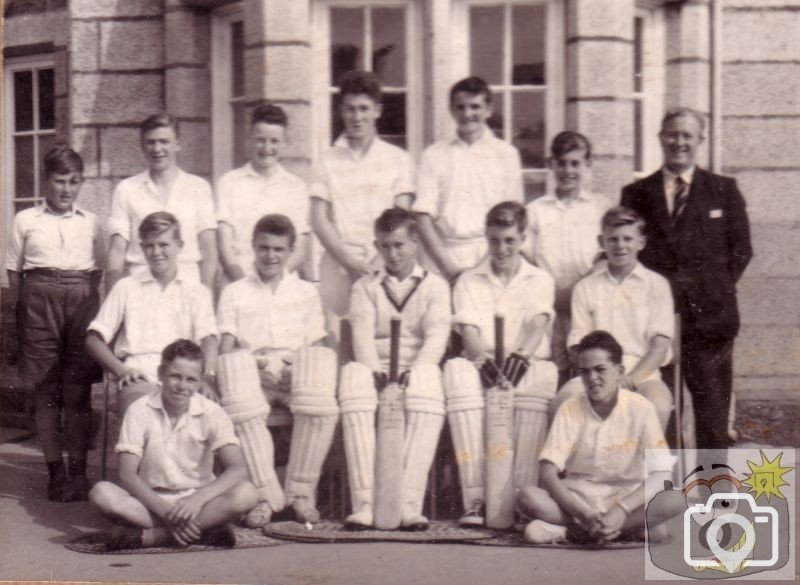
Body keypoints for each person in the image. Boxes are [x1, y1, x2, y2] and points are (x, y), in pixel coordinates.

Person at [621, 107, 752, 449]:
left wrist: (709, 291)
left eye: (687, 136)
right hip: (654, 327)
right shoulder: (636, 193)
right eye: (672, 134)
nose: (679, 142)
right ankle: (667, 500)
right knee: (660, 416)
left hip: (710, 324)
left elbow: (741, 251)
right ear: (661, 138)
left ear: (700, 141)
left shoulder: (723, 190)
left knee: (712, 419)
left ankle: (714, 499)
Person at [443, 201, 557, 527]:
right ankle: (476, 499)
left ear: (523, 238)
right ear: (486, 238)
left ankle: (517, 500)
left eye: (509, 240)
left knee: (543, 376)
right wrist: (485, 365)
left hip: (526, 360)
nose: (501, 248)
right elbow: (469, 331)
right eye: (494, 240)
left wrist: (518, 361)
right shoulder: (468, 280)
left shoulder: (540, 279)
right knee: (457, 374)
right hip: (484, 360)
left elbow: (537, 325)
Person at [217, 214, 335, 526]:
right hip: (253, 370)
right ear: (253, 248)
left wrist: (298, 367)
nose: (271, 256)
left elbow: (317, 343)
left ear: (290, 251)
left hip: (295, 368)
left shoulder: (305, 291)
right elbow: (226, 347)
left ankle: (300, 494)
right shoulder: (234, 291)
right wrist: (249, 368)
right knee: (240, 395)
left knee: (320, 398)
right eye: (264, 248)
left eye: (279, 249)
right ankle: (265, 497)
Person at [339, 208, 450, 530]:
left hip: (415, 368)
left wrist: (410, 376)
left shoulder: (435, 286)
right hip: (376, 368)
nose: (393, 253)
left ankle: (408, 503)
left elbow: (436, 338)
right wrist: (379, 377)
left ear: (415, 243)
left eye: (400, 245)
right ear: (377, 245)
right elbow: (362, 339)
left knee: (428, 383)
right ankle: (366, 503)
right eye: (385, 246)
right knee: (353, 380)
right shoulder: (365, 286)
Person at [89, 340, 258, 550]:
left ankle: (154, 537)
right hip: (152, 500)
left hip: (197, 502)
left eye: (191, 380)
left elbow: (238, 468)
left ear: (199, 382)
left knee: (247, 493)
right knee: (101, 493)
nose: (182, 387)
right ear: (160, 374)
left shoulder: (211, 411)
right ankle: (203, 532)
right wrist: (166, 513)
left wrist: (197, 499)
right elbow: (127, 474)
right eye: (175, 376)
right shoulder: (139, 410)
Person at [5, 146, 103, 502]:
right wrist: (17, 322)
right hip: (38, 300)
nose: (66, 189)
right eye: (60, 181)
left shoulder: (91, 223)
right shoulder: (26, 220)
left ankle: (78, 473)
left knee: (78, 393)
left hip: (80, 302)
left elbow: (100, 273)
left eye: (74, 182)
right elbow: (14, 272)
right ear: (46, 180)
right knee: (46, 393)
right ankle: (55, 474)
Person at [517, 331, 680, 544]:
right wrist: (585, 513)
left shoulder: (641, 408)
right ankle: (621, 530)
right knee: (528, 496)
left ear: (620, 371)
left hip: (625, 497)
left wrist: (621, 510)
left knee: (676, 499)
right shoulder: (570, 408)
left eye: (600, 370)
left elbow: (662, 473)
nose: (592, 378)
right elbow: (548, 474)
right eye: (584, 372)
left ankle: (573, 532)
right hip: (579, 497)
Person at [310, 71, 414, 344]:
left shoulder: (397, 159)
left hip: (385, 261)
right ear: (341, 111)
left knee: (381, 342)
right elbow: (319, 219)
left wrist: (377, 263)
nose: (357, 117)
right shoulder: (326, 160)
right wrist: (349, 261)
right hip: (338, 263)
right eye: (350, 109)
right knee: (337, 341)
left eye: (364, 109)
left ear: (378, 110)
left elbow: (401, 218)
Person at [551, 207, 674, 431]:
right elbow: (578, 345)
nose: (620, 245)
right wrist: (601, 378)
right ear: (601, 241)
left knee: (659, 405)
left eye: (628, 238)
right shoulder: (586, 287)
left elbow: (659, 347)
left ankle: (652, 467)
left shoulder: (657, 285)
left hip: (642, 373)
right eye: (613, 239)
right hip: (594, 373)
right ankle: (573, 466)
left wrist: (630, 380)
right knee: (563, 402)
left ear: (641, 242)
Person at [86, 212, 219, 415]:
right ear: (141, 248)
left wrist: (206, 377)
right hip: (140, 375)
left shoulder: (197, 291)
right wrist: (121, 370)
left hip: (183, 375)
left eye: (163, 244)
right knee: (146, 414)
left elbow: (208, 339)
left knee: (207, 416)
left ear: (179, 246)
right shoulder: (127, 287)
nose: (156, 252)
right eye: (149, 245)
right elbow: (93, 340)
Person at [415, 76, 523, 280]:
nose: (467, 114)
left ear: (489, 109)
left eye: (475, 106)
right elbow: (422, 217)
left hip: (490, 255)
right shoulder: (433, 154)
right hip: (442, 258)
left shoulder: (506, 154)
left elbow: (512, 217)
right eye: (460, 107)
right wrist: (449, 270)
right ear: (451, 110)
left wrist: (480, 270)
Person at [525, 131, 610, 384]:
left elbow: (605, 259)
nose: (568, 170)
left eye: (575, 163)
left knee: (591, 369)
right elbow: (527, 261)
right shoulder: (535, 210)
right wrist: (552, 295)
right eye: (561, 163)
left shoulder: (601, 207)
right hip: (547, 304)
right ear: (551, 164)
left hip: (589, 303)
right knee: (553, 371)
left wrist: (575, 294)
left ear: (587, 165)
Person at [105, 113, 217, 290]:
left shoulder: (199, 187)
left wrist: (206, 296)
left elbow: (209, 250)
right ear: (142, 146)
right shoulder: (126, 189)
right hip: (140, 286)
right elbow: (117, 251)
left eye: (164, 141)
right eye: (151, 142)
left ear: (177, 144)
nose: (157, 149)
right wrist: (115, 300)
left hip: (188, 285)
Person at [216, 104, 311, 283]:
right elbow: (224, 246)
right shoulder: (229, 182)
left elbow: (300, 249)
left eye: (274, 141)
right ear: (249, 139)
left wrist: (276, 280)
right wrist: (244, 284)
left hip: (283, 281)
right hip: (238, 277)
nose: (267, 148)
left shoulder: (296, 186)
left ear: (284, 142)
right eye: (260, 140)